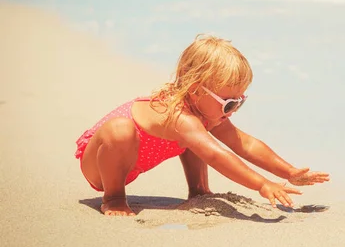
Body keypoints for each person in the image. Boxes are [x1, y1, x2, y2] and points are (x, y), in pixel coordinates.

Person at [74, 34, 330, 216]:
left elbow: (245, 144)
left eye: (240, 102)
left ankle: (199, 190)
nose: (233, 110)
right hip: (101, 163)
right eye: (228, 103)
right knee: (122, 129)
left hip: (132, 161)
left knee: (199, 133)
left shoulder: (205, 113)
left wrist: (288, 172)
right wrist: (262, 184)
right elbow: (217, 155)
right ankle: (114, 198)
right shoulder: (180, 117)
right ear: (195, 91)